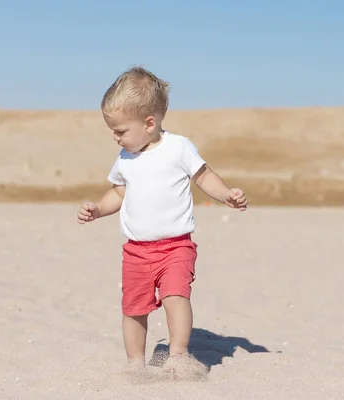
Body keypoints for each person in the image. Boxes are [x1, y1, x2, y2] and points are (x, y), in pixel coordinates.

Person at [76, 66, 248, 379]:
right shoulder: (126, 158)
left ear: (150, 123)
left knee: (175, 297)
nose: (115, 138)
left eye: (121, 131)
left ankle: (178, 355)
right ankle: (135, 362)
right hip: (136, 251)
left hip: (175, 245)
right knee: (133, 308)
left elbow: (204, 176)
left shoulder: (178, 147)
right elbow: (118, 191)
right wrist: (98, 210)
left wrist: (226, 195)